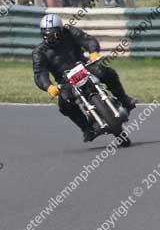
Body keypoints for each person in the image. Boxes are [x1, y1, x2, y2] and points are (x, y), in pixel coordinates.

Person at [33, 13, 136, 143]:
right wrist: (48, 86)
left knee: (107, 72)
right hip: (65, 80)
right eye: (48, 35)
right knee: (64, 104)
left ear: (61, 30)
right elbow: (39, 73)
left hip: (84, 67)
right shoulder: (39, 52)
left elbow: (86, 39)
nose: (52, 38)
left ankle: (124, 99)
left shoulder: (69, 32)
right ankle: (87, 129)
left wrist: (93, 51)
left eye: (55, 34)